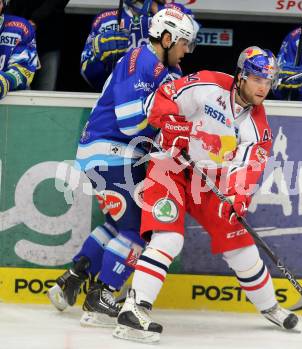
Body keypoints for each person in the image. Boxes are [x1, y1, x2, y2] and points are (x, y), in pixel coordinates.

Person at [112, 46, 298, 344]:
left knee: (239, 243)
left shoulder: (258, 128)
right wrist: (173, 125)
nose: (263, 87)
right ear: (241, 77)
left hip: (208, 180)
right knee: (169, 238)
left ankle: (269, 306)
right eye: (257, 79)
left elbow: (247, 170)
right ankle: (135, 308)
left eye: (268, 81)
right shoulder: (208, 83)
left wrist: (238, 199)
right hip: (169, 166)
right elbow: (159, 101)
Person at [47, 7, 198, 328]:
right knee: (140, 230)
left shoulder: (158, 66)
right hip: (113, 154)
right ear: (167, 38)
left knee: (118, 225)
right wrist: (169, 121)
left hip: (108, 155)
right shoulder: (140, 60)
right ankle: (104, 291)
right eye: (185, 42)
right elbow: (131, 123)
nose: (187, 50)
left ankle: (71, 279)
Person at [81, 0, 197, 91]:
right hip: (117, 97)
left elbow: (193, 31)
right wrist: (98, 59)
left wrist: (156, 8)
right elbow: (87, 75)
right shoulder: (105, 19)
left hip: (163, 93)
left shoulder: (174, 10)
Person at [6, 0, 70, 91]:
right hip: (17, 38)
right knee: (17, 87)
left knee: (46, 90)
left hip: (48, 37)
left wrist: (35, 19)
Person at [0, 0, 38, 99]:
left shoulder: (20, 28)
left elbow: (24, 70)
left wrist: (4, 80)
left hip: (12, 100)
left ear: (3, 4)